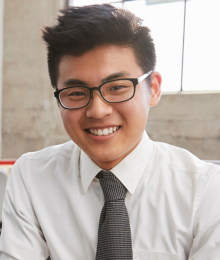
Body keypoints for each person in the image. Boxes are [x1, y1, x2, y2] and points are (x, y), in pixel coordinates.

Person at [0, 4, 220, 260]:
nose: (98, 110)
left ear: (154, 89)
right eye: (76, 93)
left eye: (117, 87)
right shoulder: (31, 177)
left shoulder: (206, 191)